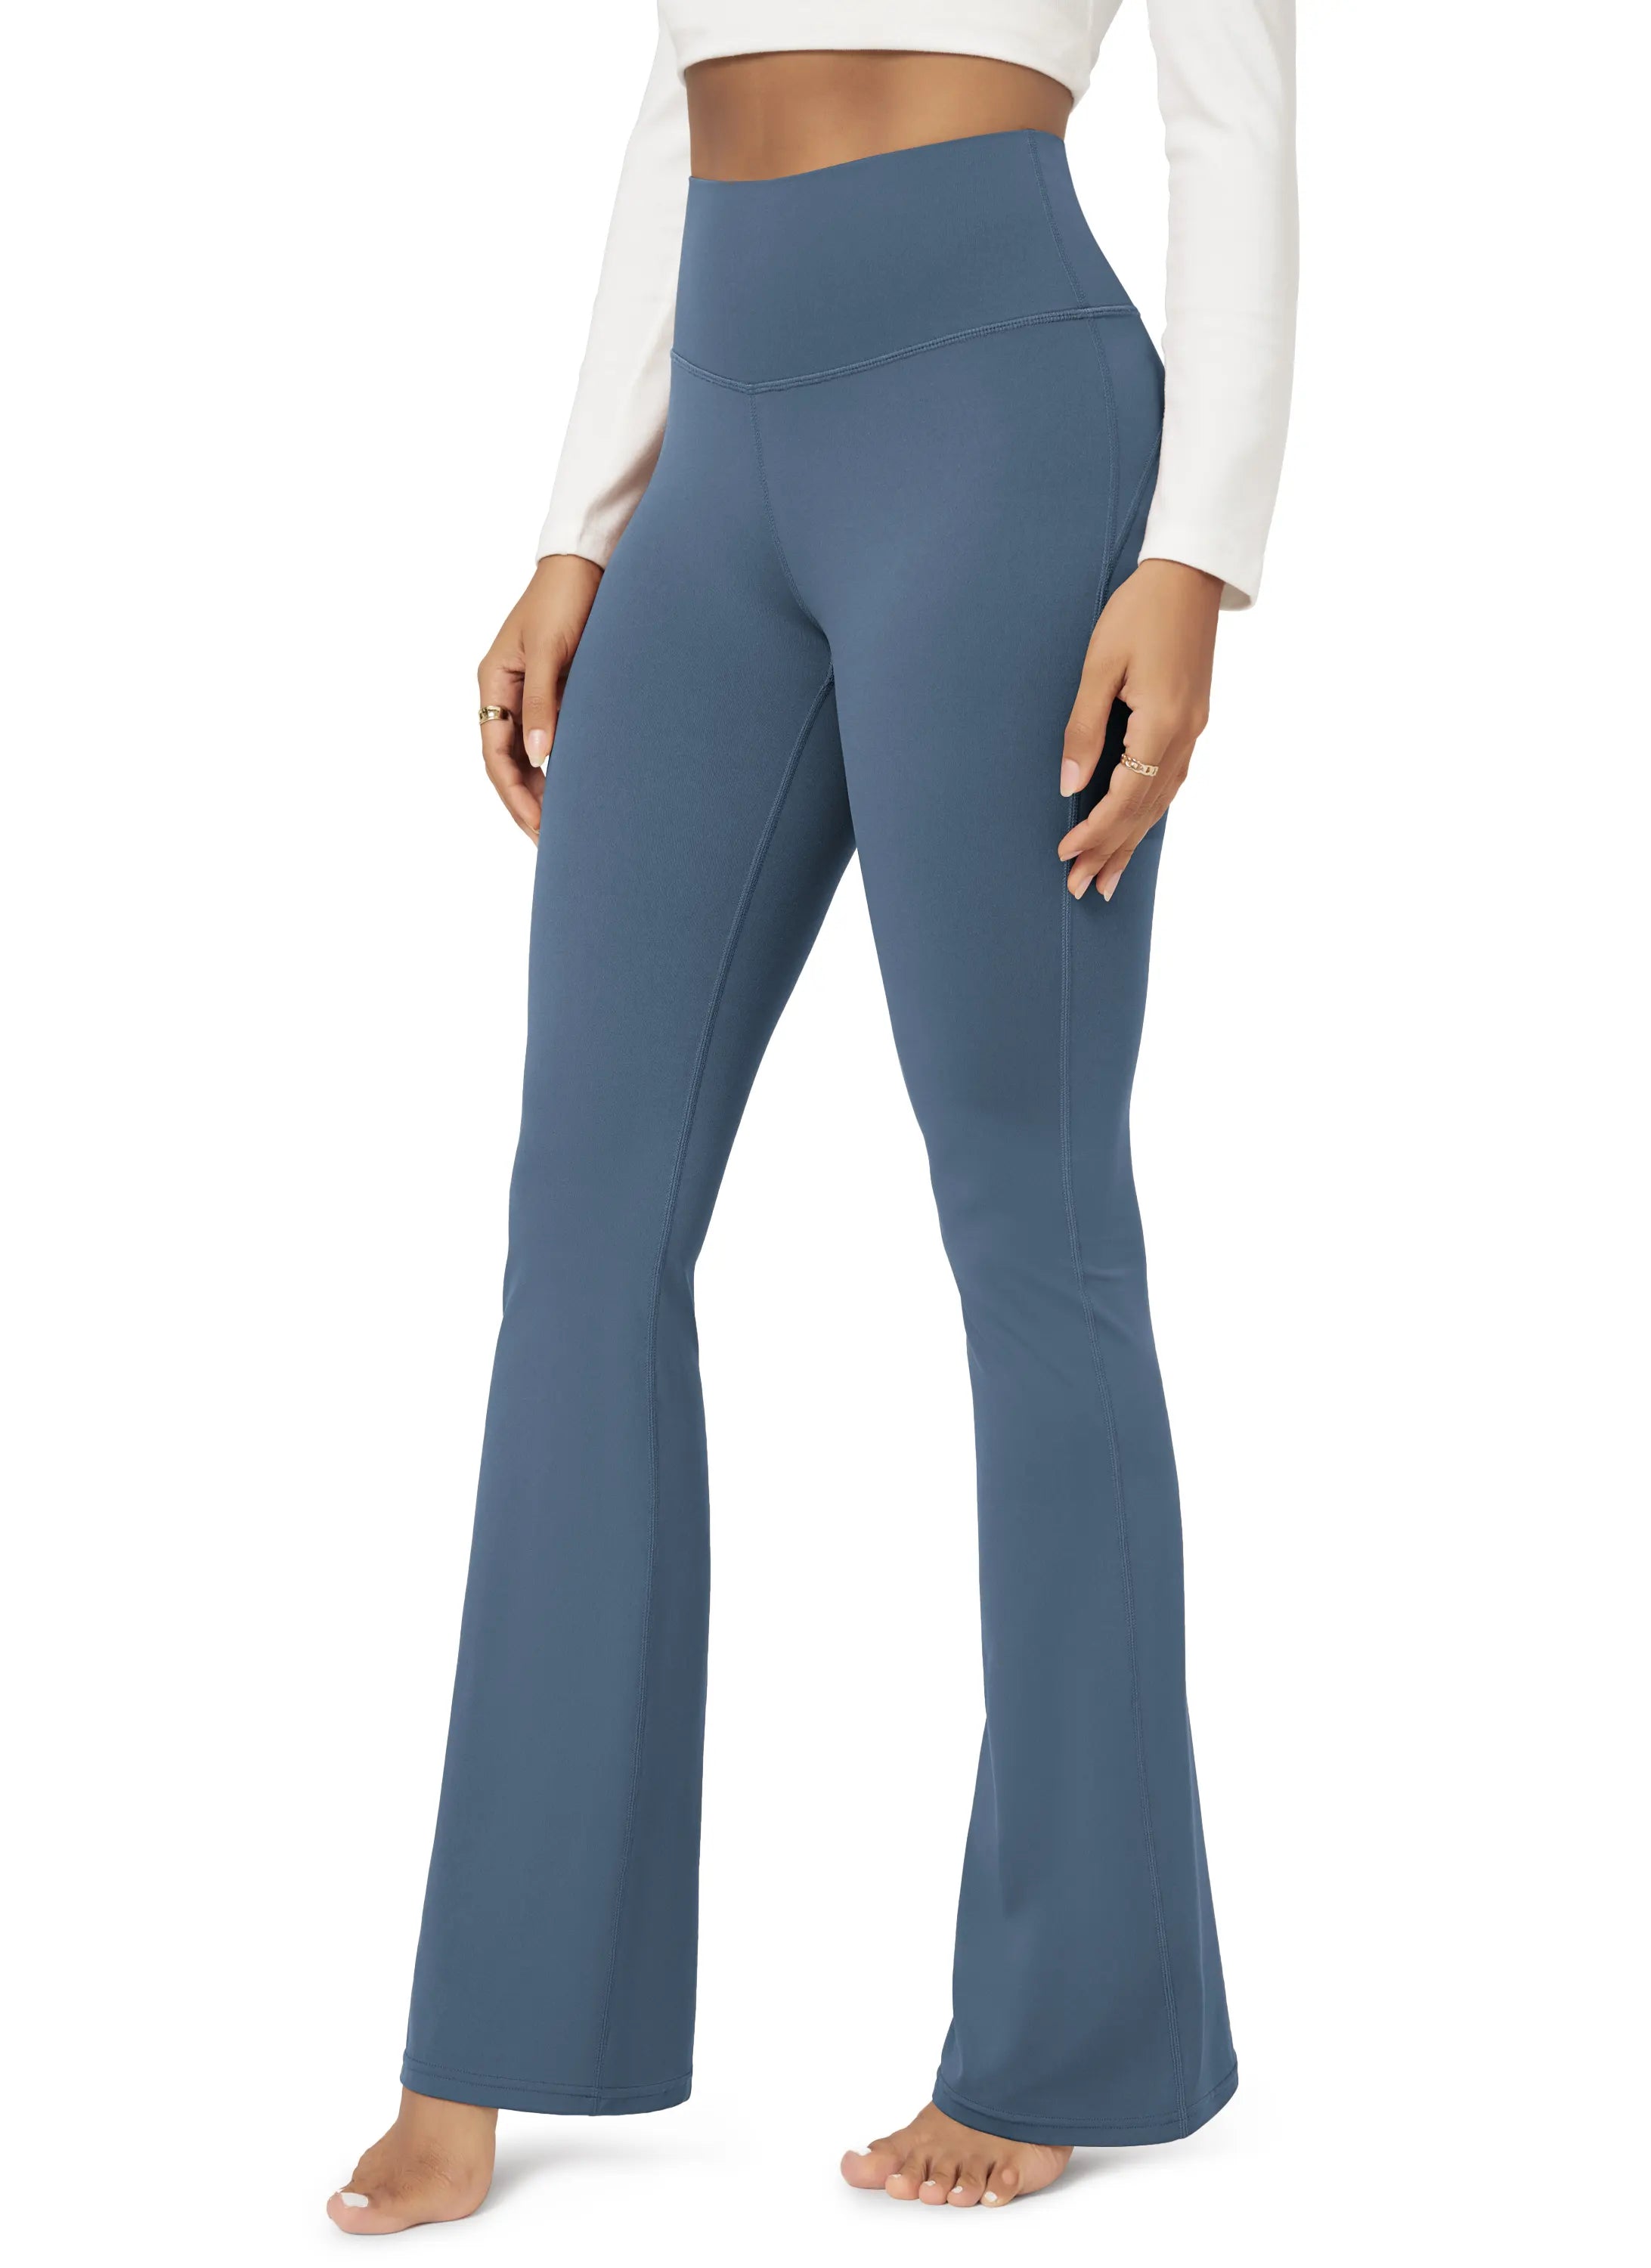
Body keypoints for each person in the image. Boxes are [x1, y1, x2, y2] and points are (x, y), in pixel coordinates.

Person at [330, 2, 1296, 2232]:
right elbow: (673, 102)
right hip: (720, 448)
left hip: (1005, 421)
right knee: (579, 1229)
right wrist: (577, 527)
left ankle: (1080, 2030)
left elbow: (1232, 126)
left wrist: (1195, 557)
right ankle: (490, 2028)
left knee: (1030, 1224)